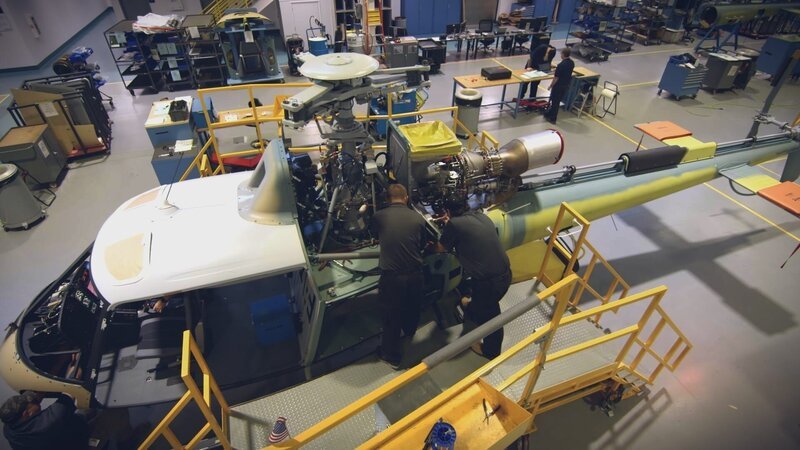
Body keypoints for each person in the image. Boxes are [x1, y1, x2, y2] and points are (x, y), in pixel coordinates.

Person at [438, 197, 511, 359]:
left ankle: (491, 351)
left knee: (491, 317)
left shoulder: (455, 224)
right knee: (480, 302)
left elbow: (441, 247)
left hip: (489, 283)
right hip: (504, 274)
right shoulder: (482, 216)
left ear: (448, 212)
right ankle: (472, 310)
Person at [370, 184, 428, 369]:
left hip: (393, 278)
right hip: (416, 275)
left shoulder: (379, 216)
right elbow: (423, 243)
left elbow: (373, 235)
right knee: (413, 307)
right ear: (406, 198)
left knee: (391, 316)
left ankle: (391, 355)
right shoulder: (417, 218)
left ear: (388, 200)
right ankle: (410, 332)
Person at [1, 391, 89, 450]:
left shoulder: (9, 429)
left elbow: (36, 398)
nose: (37, 402)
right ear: (26, 413)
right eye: (34, 402)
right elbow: (70, 391)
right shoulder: (47, 423)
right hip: (78, 441)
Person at [544, 48, 575, 124]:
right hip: (565, 84)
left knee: (555, 102)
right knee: (556, 100)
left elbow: (556, 78)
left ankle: (553, 118)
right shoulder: (571, 63)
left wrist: (551, 86)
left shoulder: (561, 65)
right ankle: (549, 113)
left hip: (558, 86)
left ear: (563, 54)